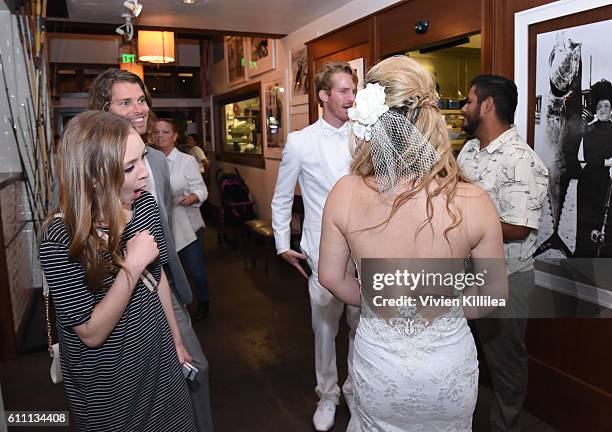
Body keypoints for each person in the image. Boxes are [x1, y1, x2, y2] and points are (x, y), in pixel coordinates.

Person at [319, 55, 508, 431]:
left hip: (381, 367)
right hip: (447, 370)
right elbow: (494, 293)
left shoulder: (344, 194)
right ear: (431, 118)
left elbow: (330, 277)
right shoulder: (473, 201)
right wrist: (445, 312)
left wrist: (379, 300)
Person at [39, 110, 196, 431]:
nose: (144, 174)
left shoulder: (145, 206)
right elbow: (92, 333)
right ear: (94, 175)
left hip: (159, 358)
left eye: (142, 159)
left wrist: (178, 342)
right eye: (130, 166)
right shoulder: (59, 238)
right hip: (108, 383)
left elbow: (159, 279)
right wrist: (132, 264)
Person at [88, 69, 213, 432]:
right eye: (126, 102)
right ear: (104, 109)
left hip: (160, 281)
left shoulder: (156, 160)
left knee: (193, 367)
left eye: (141, 100)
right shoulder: (86, 166)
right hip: (110, 292)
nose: (139, 109)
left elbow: (161, 229)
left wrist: (172, 280)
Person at [271, 61, 360, 431]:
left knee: (362, 325)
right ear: (324, 96)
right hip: (320, 251)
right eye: (344, 91)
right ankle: (328, 394)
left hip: (364, 250)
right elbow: (280, 198)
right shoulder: (299, 142)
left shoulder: (367, 137)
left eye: (354, 91)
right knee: (325, 327)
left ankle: (356, 388)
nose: (351, 98)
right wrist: (281, 243)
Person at [458, 74, 549, 431]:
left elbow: (518, 227)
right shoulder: (468, 150)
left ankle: (503, 425)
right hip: (463, 274)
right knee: (465, 351)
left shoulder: (520, 161)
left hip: (505, 280)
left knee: (505, 362)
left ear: (488, 105)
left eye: (468, 101)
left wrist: (460, 229)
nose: (463, 108)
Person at [154, 118, 211, 320]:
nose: (160, 135)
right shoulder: (148, 162)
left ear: (175, 136)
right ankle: (176, 308)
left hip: (187, 225)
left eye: (165, 132)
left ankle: (204, 300)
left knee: (195, 269)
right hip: (161, 226)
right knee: (168, 272)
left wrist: (193, 197)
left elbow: (201, 189)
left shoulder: (186, 161)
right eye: (157, 132)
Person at [575, 79, 612, 257]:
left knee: (605, 225)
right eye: (599, 106)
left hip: (606, 182)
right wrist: (607, 162)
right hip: (588, 182)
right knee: (586, 224)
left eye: (606, 106)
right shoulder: (589, 130)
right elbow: (590, 158)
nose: (603, 109)